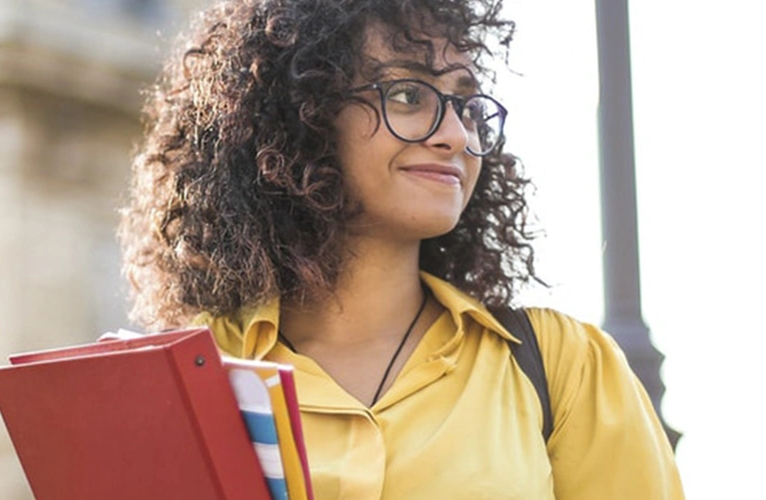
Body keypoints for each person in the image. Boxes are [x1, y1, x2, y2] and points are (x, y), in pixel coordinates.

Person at [118, 0, 685, 498]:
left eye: (467, 104)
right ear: (305, 116)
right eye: (410, 94)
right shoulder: (191, 376)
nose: (456, 135)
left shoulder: (560, 366)